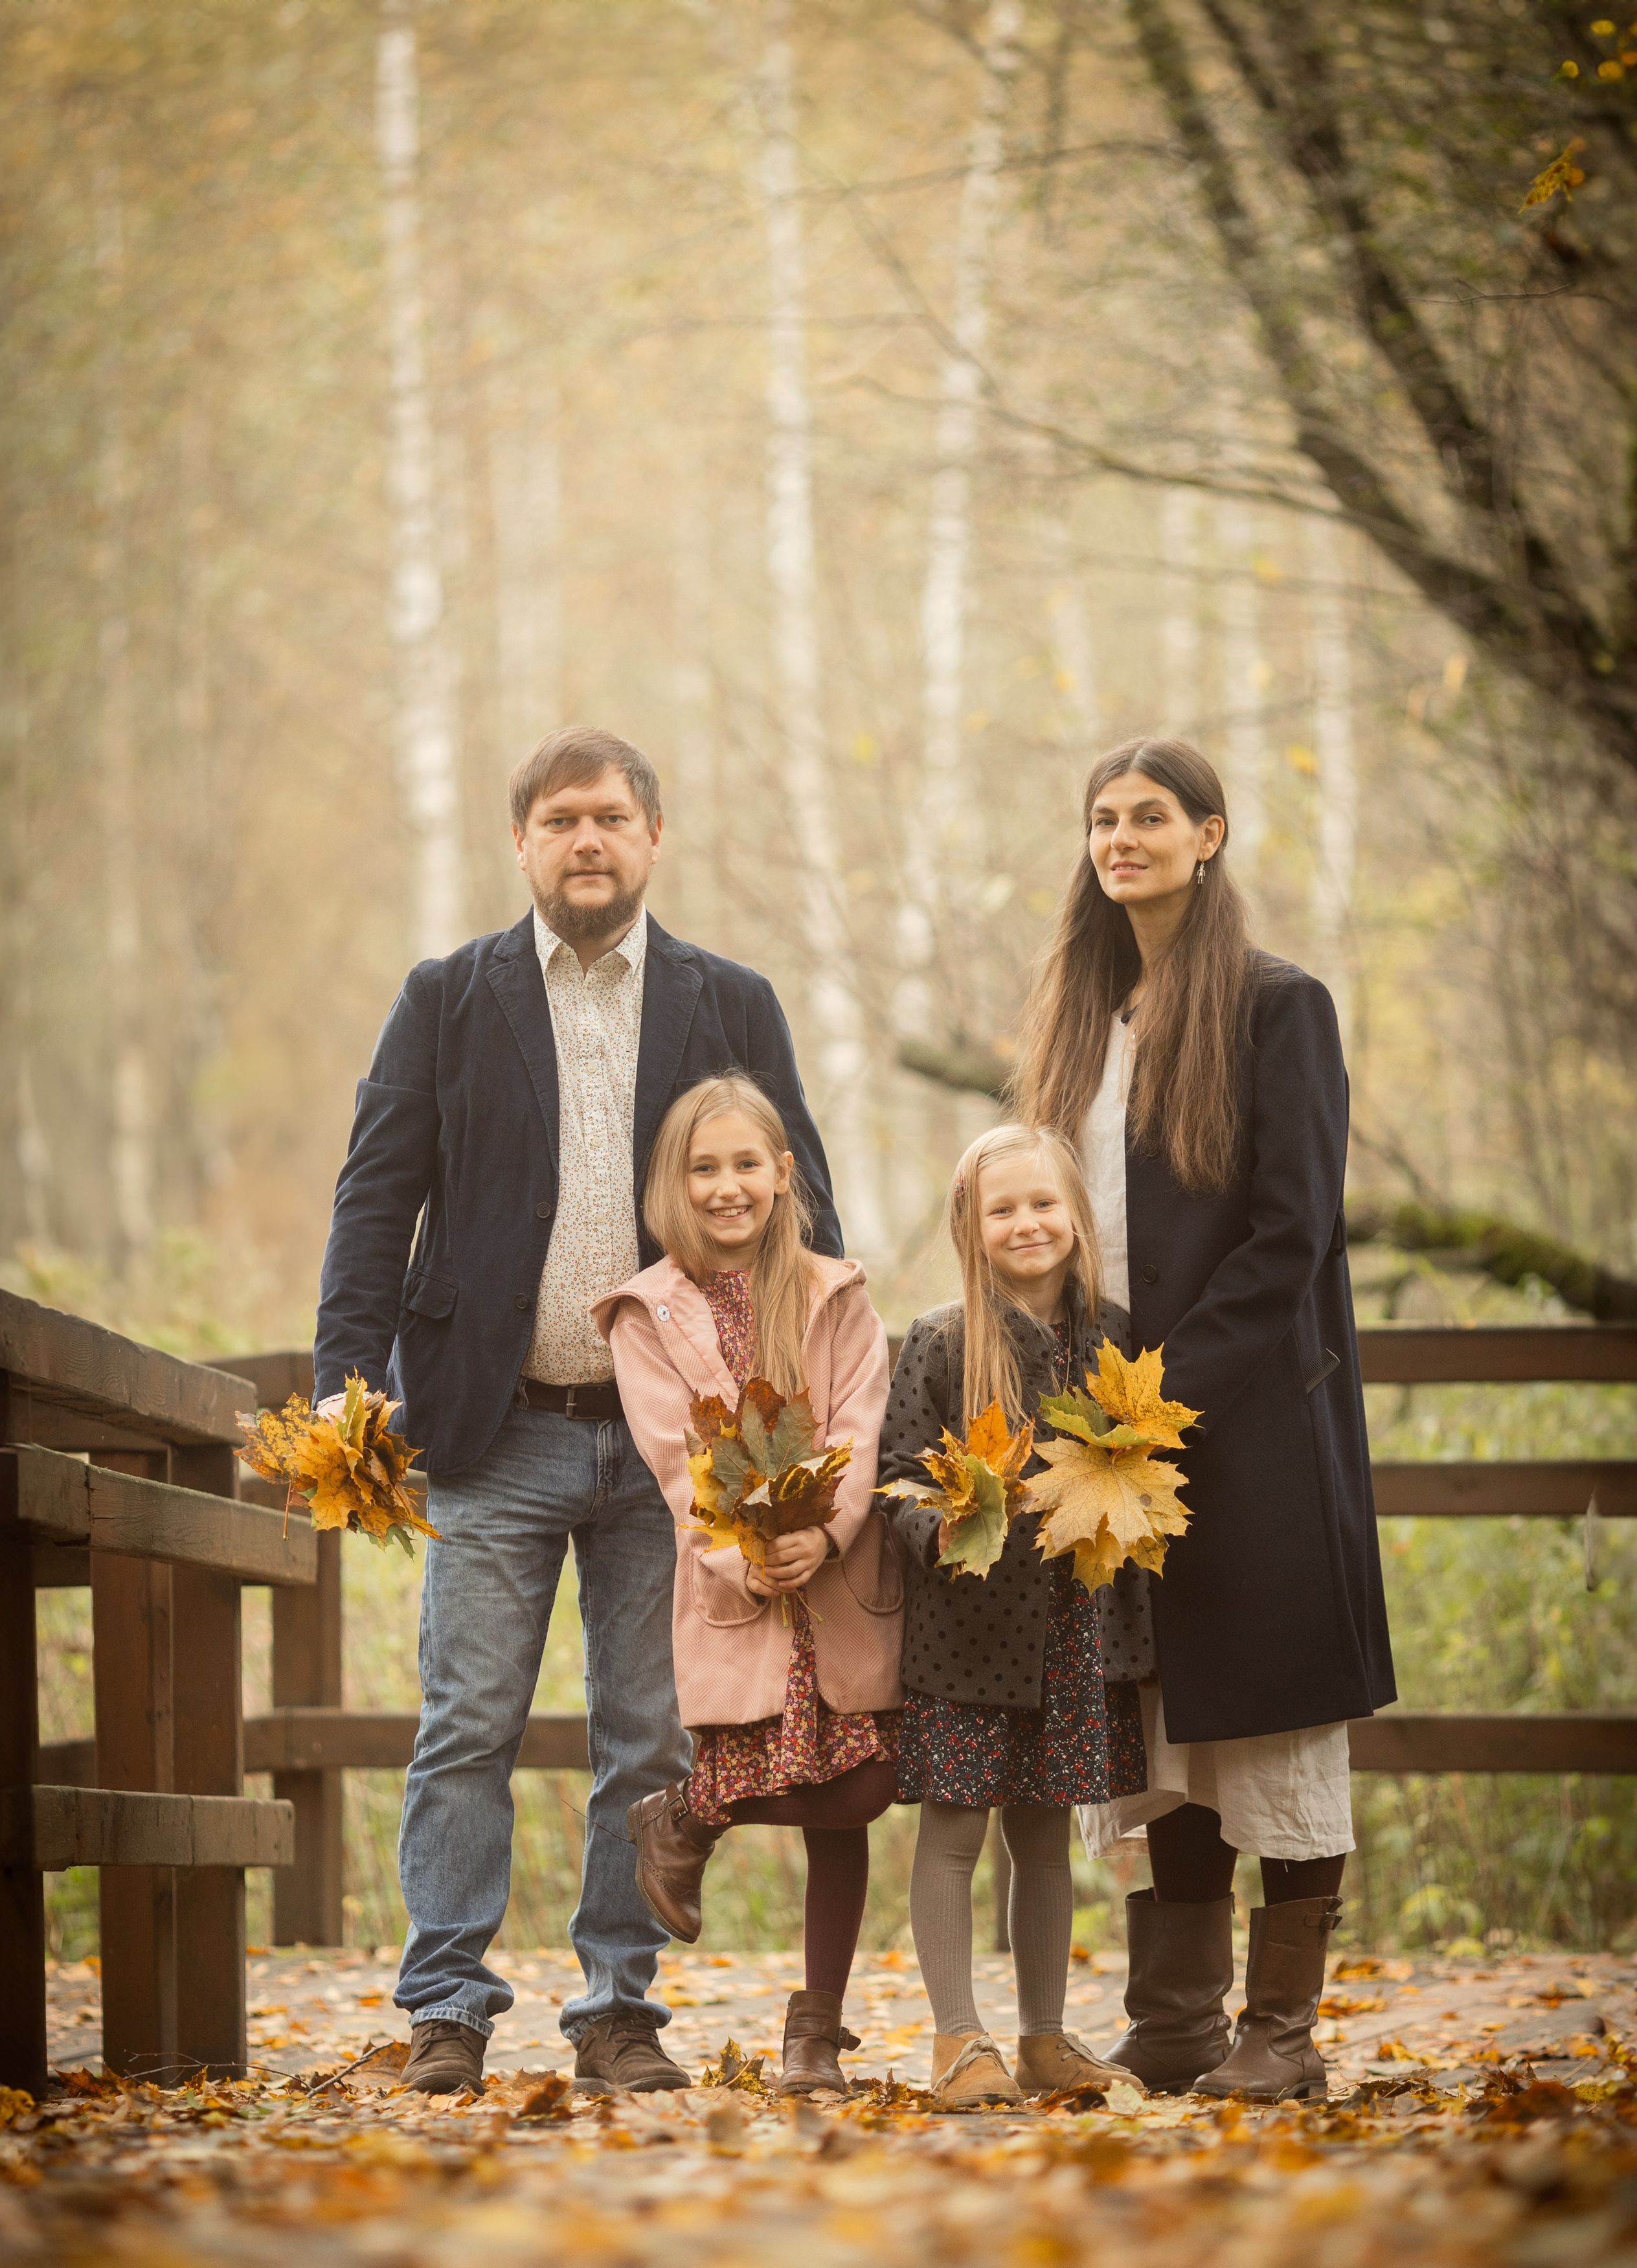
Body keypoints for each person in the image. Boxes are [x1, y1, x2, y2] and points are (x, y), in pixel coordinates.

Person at [312, 726, 842, 2097]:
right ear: (522, 845)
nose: (586, 841)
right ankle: (446, 2005)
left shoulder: (729, 998)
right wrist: (343, 1375)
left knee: (646, 1740)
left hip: (679, 1445)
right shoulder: (446, 998)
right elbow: (376, 1197)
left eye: (608, 816)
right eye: (559, 821)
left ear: (652, 836)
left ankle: (618, 2009)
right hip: (489, 1427)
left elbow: (804, 1205)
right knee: (466, 1723)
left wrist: (797, 1413)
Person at [1014, 736, 1395, 2104]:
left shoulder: (1276, 1007)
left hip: (1245, 1425)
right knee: (1163, 1716)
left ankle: (1278, 2031)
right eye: (1103, 818)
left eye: (1151, 816)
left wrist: (1159, 1401)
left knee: (1274, 1716)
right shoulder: (1079, 1014)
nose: (1122, 837)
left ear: (1209, 835)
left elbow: (1291, 1232)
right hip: (1104, 1434)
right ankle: (1174, 2019)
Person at [594, 1073, 903, 2097]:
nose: (726, 1187)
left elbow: (861, 1427)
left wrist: (831, 1529)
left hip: (838, 1582)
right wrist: (750, 1554)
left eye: (744, 1164)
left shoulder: (834, 1293)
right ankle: (688, 1810)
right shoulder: (647, 1314)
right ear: (674, 1185)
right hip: (743, 1593)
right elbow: (681, 1468)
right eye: (703, 1167)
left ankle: (815, 2030)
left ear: (781, 1173)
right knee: (824, 1795)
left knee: (858, 1792)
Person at [877, 1125, 1153, 2109]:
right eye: (1004, 1208)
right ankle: (959, 2040)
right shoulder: (944, 1340)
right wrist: (947, 1532)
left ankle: (1042, 2037)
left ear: (1077, 1215)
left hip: (1076, 1626)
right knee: (955, 1829)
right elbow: (896, 1479)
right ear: (971, 1224)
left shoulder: (1114, 1337)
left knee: (1043, 1834)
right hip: (966, 1628)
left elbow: (1145, 1470)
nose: (1028, 1223)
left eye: (1045, 1203)